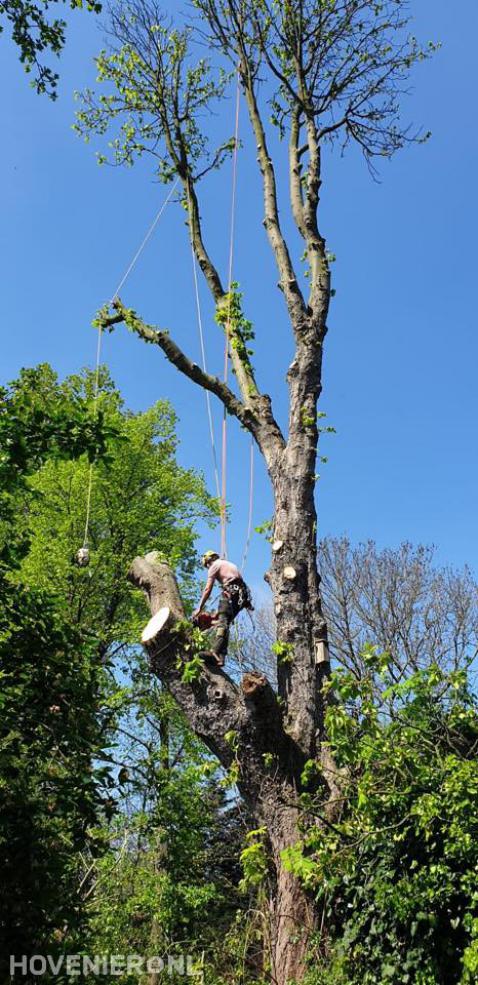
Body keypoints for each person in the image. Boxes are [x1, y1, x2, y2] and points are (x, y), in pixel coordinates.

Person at [192, 551, 253, 665]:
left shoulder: (214, 566)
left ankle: (213, 652)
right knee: (224, 624)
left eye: (207, 565)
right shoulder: (228, 564)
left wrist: (199, 607)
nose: (208, 568)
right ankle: (221, 658)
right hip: (242, 596)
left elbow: (207, 589)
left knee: (222, 623)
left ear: (209, 560)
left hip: (231, 592)